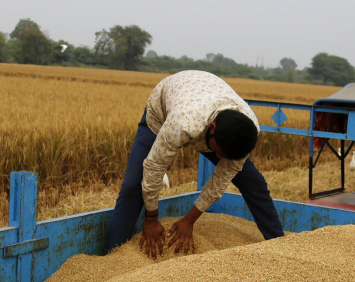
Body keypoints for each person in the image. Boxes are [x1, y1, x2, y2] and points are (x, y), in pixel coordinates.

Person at [108, 70, 284, 256]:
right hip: (165, 112)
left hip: (206, 106)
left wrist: (189, 220)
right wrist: (151, 219)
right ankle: (115, 254)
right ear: (213, 128)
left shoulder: (247, 132)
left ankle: (280, 245)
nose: (216, 156)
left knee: (254, 183)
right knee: (132, 185)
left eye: (222, 155)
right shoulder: (181, 124)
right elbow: (154, 168)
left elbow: (219, 182)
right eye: (217, 151)